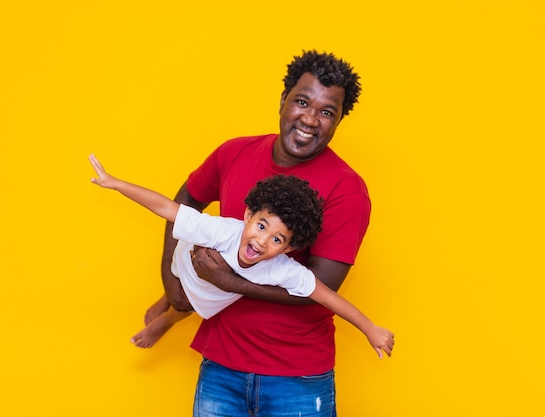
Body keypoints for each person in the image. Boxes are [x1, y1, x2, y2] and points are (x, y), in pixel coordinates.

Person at [147, 50, 393, 417]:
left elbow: (319, 289)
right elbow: (185, 203)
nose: (310, 119)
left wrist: (229, 281)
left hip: (296, 377)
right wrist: (170, 279)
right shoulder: (234, 153)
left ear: (339, 120)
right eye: (302, 101)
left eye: (327, 112)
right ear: (283, 100)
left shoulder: (347, 189)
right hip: (220, 365)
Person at [89, 154, 394, 358]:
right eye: (260, 226)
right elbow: (167, 208)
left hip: (209, 294)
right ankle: (168, 298)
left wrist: (370, 329)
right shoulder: (222, 230)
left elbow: (328, 297)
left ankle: (168, 319)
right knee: (181, 269)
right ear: (247, 215)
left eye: (276, 239)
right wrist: (116, 183)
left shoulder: (282, 269)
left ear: (288, 248)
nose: (261, 242)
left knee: (192, 303)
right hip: (189, 260)